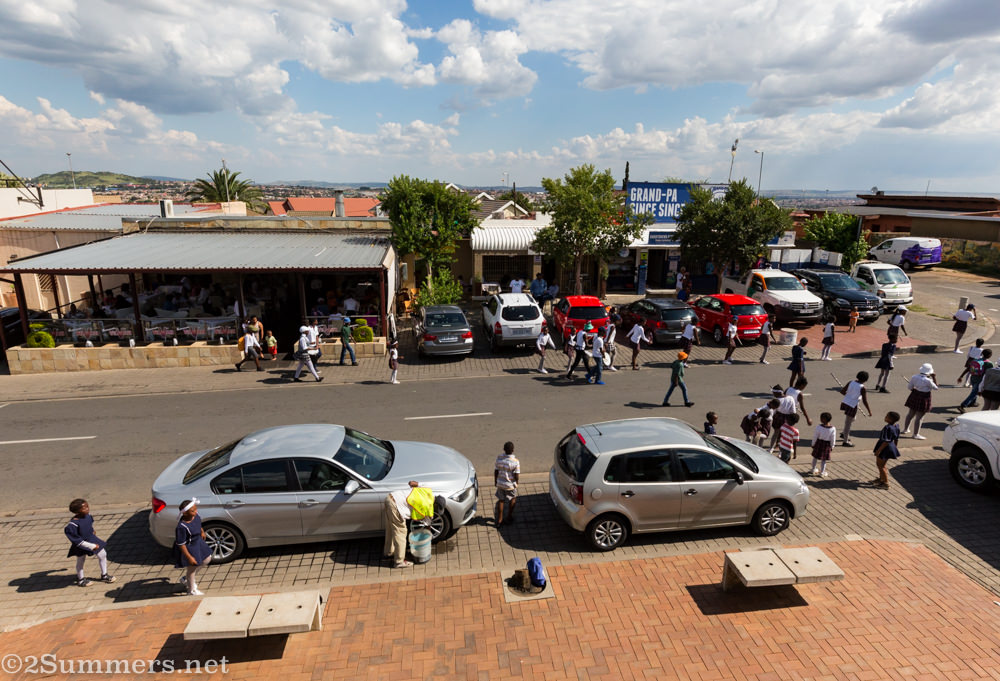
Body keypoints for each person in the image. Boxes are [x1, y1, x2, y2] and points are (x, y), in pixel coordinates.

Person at [64, 499, 115, 587]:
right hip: (82, 544)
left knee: (102, 554)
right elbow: (77, 541)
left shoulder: (88, 516)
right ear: (77, 511)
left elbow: (89, 525)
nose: (87, 509)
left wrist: (92, 531)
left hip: (92, 539)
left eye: (87, 506)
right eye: (84, 508)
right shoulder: (73, 525)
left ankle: (104, 575)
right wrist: (91, 546)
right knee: (81, 560)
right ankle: (81, 579)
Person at [383, 480, 433, 568]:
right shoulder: (427, 511)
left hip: (390, 497)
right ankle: (399, 561)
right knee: (401, 532)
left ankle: (389, 552)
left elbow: (411, 483)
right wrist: (428, 536)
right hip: (396, 506)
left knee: (391, 528)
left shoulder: (427, 489)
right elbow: (427, 527)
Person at [173, 498, 211, 595]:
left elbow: (199, 524)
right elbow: (181, 544)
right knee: (192, 568)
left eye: (195, 509)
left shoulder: (196, 516)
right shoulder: (182, 527)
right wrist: (189, 557)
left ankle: (186, 579)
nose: (196, 511)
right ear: (185, 513)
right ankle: (191, 590)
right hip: (190, 548)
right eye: (193, 510)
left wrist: (202, 531)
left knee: (207, 558)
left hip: (198, 542)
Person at [903, 363, 938, 439]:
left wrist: (915, 389)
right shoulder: (928, 380)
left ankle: (905, 429)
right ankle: (915, 434)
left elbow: (910, 387)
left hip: (915, 395)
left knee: (910, 414)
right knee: (919, 417)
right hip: (924, 398)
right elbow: (936, 388)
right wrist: (934, 377)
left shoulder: (914, 377)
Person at [839, 371, 872, 447]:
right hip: (852, 405)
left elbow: (842, 391)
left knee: (852, 419)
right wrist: (869, 411)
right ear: (866, 380)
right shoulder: (862, 388)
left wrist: (849, 396)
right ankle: (845, 441)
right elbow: (865, 401)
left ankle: (844, 434)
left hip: (846, 402)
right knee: (848, 423)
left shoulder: (851, 382)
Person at [871, 411, 901, 489]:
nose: (885, 417)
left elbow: (886, 441)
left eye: (887, 416)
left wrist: (879, 450)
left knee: (880, 465)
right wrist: (895, 447)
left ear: (890, 419)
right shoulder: (896, 426)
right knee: (883, 465)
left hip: (884, 448)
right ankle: (881, 479)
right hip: (891, 447)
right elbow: (896, 439)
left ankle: (885, 483)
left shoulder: (887, 428)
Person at [494, 442, 520, 527]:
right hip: (510, 485)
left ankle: (500, 519)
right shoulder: (515, 461)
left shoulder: (499, 458)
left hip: (500, 483)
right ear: (513, 450)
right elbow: (516, 475)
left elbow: (496, 471)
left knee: (501, 500)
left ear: (504, 450)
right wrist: (516, 483)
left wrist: (496, 481)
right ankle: (509, 517)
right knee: (513, 498)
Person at [959, 349, 992, 413]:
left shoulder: (975, 360)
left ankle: (973, 402)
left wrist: (961, 376)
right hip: (980, 380)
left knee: (974, 390)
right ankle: (963, 405)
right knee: (974, 392)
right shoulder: (989, 363)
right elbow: (989, 374)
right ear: (989, 355)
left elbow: (968, 369)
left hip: (973, 378)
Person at [810, 412, 837, 477]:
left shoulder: (819, 427)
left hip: (819, 443)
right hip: (826, 445)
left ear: (823, 419)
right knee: (823, 460)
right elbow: (833, 438)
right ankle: (822, 472)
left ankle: (813, 469)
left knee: (815, 457)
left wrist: (813, 444)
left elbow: (815, 436)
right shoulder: (832, 428)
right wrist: (832, 446)